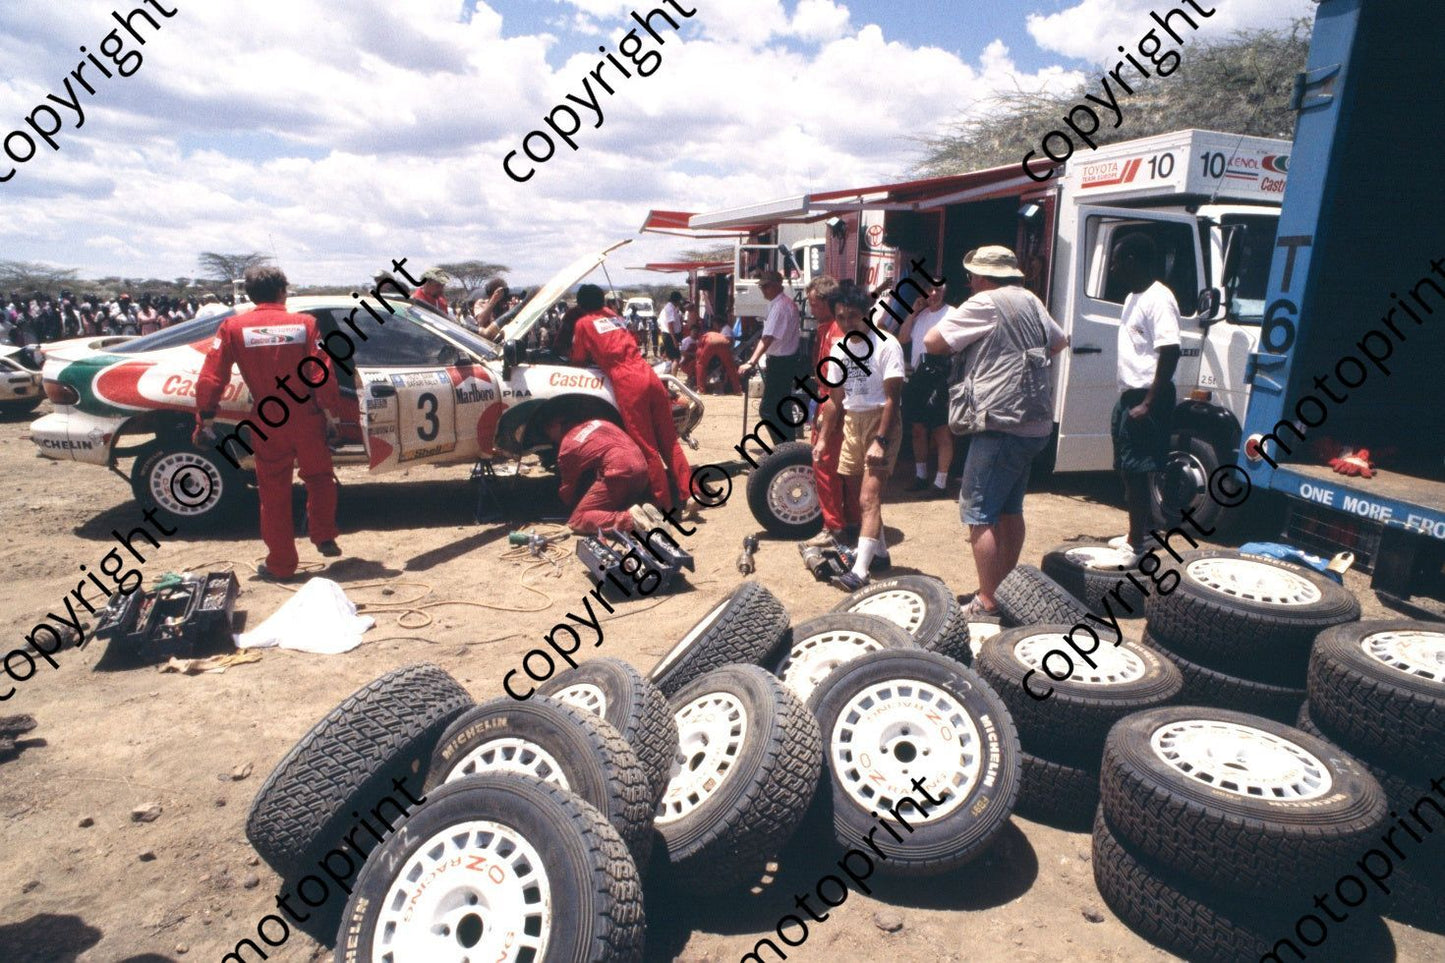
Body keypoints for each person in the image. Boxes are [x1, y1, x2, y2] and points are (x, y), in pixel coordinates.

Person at [924, 246, 1069, 617]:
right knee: (1009, 508)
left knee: (978, 512)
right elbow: (1059, 341)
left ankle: (987, 600)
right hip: (1034, 421)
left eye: (971, 276)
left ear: (984, 276)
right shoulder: (1031, 300)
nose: (969, 282)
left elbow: (933, 342)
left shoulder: (985, 302)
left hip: (999, 422)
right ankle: (1002, 588)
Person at [194, 265, 344, 581]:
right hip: (307, 417)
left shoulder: (233, 327)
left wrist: (205, 419)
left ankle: (281, 564)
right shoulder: (305, 324)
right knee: (319, 477)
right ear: (282, 291)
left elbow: (211, 377)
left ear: (250, 295)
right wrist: (331, 415)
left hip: (268, 419)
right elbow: (322, 374)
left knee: (273, 492)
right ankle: (323, 533)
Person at [566, 283, 694, 512]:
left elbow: (577, 360)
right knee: (669, 441)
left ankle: (663, 504)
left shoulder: (583, 323)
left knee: (647, 446)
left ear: (582, 305)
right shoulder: (614, 316)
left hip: (627, 381)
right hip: (650, 374)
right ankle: (688, 492)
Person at [815, 289, 906, 590]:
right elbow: (834, 399)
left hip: (881, 421)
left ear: (866, 313)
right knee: (862, 497)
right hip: (852, 423)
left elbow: (893, 399)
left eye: (852, 316)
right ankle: (879, 554)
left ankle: (861, 571)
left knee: (869, 498)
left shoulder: (886, 345)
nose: (845, 322)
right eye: (840, 316)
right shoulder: (839, 348)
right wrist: (824, 439)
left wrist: (881, 439)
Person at [1107, 233, 1182, 560]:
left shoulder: (1159, 298)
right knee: (1126, 467)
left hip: (1148, 396)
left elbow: (1170, 350)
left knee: (1137, 470)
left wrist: (1149, 402)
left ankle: (1136, 545)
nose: (1112, 268)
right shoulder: (1131, 298)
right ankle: (1141, 532)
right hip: (1129, 394)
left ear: (1132, 261)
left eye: (1117, 261)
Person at [545, 414, 662, 535]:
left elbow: (568, 489)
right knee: (613, 503)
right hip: (642, 470)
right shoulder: (599, 422)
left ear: (554, 427)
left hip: (619, 473)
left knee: (578, 519)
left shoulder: (567, 447)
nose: (549, 437)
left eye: (547, 431)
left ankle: (630, 519)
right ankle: (646, 515)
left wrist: (570, 505)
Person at [803, 275, 853, 549]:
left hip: (834, 402)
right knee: (835, 466)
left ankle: (834, 526)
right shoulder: (825, 328)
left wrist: (827, 413)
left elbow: (840, 382)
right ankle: (844, 521)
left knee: (825, 465)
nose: (811, 309)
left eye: (813, 304)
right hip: (824, 397)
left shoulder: (838, 331)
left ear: (826, 302)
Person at [899, 281, 955, 497]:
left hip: (941, 378)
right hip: (917, 378)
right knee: (918, 430)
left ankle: (940, 483)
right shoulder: (920, 316)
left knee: (941, 431)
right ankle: (921, 477)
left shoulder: (953, 314)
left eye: (938, 289)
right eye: (930, 289)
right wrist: (913, 312)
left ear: (944, 292)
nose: (933, 293)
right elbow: (903, 338)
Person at [739, 270, 804, 441]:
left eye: (766, 286)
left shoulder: (781, 306)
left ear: (777, 285)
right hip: (785, 360)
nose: (763, 290)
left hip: (781, 363)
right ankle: (787, 444)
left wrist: (751, 362)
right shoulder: (782, 303)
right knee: (782, 407)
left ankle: (782, 446)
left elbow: (767, 338)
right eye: (761, 286)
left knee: (767, 409)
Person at [694, 319, 741, 394]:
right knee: (730, 367)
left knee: (700, 365)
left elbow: (699, 354)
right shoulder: (716, 333)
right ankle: (738, 390)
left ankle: (701, 390)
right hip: (724, 341)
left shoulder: (702, 337)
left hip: (711, 342)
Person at [657, 291, 684, 370]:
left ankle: (670, 378)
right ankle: (672, 380)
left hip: (670, 335)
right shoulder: (669, 309)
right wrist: (674, 339)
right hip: (670, 335)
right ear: (677, 300)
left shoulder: (671, 307)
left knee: (671, 357)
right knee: (676, 358)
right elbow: (670, 325)